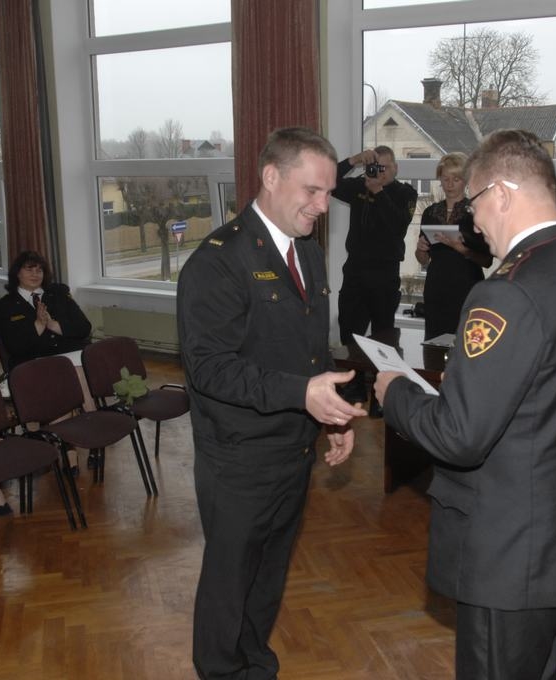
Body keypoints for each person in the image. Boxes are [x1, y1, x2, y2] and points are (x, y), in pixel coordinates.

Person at [374, 129, 556, 680]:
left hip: (511, 553)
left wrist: (397, 393)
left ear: (503, 194)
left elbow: (460, 434)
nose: (473, 220)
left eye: (476, 203)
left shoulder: (506, 292)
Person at [177, 126, 367, 680]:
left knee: (269, 574)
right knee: (229, 579)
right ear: (269, 177)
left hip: (292, 447)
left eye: (328, 193)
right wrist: (302, 395)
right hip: (239, 456)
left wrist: (330, 412)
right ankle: (219, 669)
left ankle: (254, 661)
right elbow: (209, 368)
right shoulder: (218, 262)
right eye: (311, 190)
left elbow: (307, 355)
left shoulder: (306, 252)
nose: (322, 205)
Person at [332, 145, 418, 346]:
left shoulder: (405, 193)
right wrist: (353, 160)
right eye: (376, 167)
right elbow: (326, 181)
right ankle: (354, 378)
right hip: (355, 271)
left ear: (395, 168)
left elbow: (398, 225)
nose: (381, 172)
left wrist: (378, 191)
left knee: (384, 341)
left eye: (386, 168)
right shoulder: (359, 186)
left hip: (384, 275)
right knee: (349, 339)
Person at [414, 152, 493, 339]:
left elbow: (487, 261)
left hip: (466, 288)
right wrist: (420, 249)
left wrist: (461, 249)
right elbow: (422, 259)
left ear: (465, 181)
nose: (449, 184)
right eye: (445, 178)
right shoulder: (430, 212)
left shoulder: (476, 213)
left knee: (465, 343)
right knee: (433, 342)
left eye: (455, 179)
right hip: (436, 287)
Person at [0, 250, 91, 371]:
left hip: (72, 355)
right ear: (17, 273)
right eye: (29, 270)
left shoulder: (58, 293)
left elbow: (84, 328)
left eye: (39, 270)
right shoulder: (6, 305)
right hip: (34, 363)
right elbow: (15, 348)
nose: (35, 274)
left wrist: (53, 325)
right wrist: (39, 325)